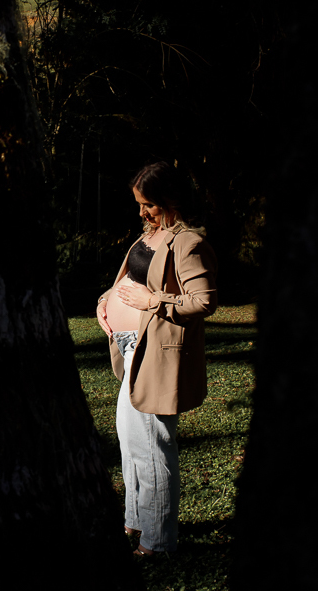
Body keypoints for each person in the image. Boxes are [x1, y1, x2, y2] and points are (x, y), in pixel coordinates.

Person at [96, 161, 217, 556]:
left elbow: (202, 301)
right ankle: (135, 521)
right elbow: (129, 281)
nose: (142, 212)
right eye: (139, 204)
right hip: (131, 348)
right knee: (131, 444)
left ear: (170, 200)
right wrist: (105, 302)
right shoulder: (149, 236)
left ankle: (159, 542)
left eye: (148, 204)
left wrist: (153, 301)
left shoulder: (188, 243)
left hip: (156, 354)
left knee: (152, 447)